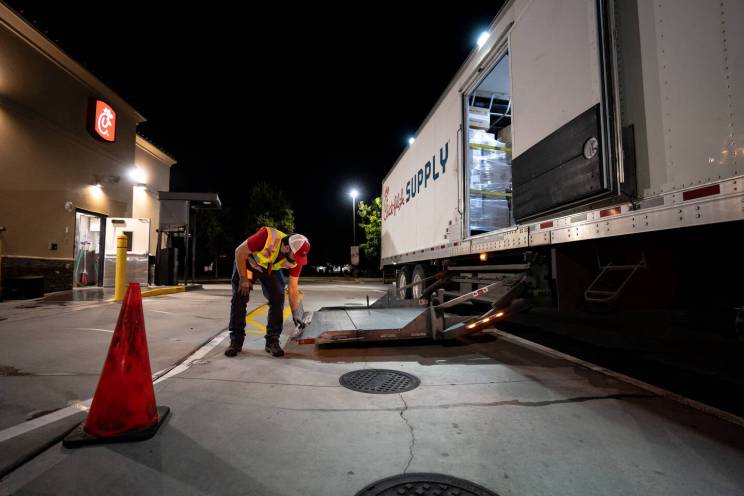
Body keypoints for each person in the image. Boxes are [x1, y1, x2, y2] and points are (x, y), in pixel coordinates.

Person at [225, 227, 310, 357]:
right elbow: (239, 252)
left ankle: (272, 340)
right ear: (287, 247)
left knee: (278, 296)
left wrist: (295, 313)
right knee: (240, 297)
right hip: (248, 264)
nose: (299, 260)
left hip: (270, 269)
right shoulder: (266, 236)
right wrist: (243, 279)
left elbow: (293, 288)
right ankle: (236, 340)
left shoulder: (296, 259)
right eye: (297, 256)